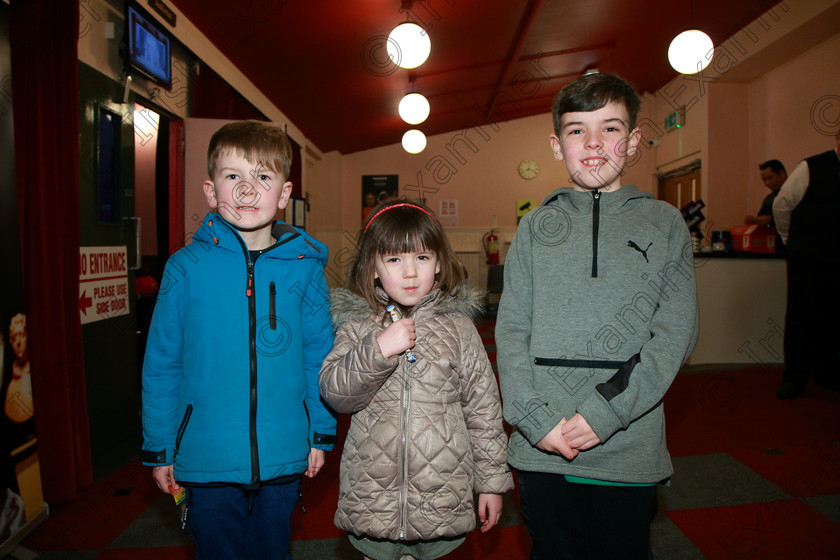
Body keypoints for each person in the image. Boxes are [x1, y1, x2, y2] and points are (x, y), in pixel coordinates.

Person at [496, 73, 699, 560]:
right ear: (556, 143)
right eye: (576, 130)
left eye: (609, 129)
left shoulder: (665, 224)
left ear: (632, 142)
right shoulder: (532, 227)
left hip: (629, 442)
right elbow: (511, 331)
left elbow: (675, 334)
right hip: (543, 441)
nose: (592, 143)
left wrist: (606, 411)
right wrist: (532, 416)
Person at [140, 120, 336, 560]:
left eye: (262, 177)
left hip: (284, 450)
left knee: (273, 551)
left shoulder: (305, 269)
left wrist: (320, 432)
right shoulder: (184, 268)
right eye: (234, 177)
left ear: (284, 194)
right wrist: (160, 446)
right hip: (205, 455)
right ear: (211, 192)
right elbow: (162, 362)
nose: (247, 191)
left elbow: (318, 356)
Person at [319, 199, 513, 560]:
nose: (410, 273)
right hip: (374, 499)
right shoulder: (358, 326)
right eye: (394, 259)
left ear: (438, 263)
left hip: (441, 495)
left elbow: (484, 412)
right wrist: (377, 350)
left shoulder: (459, 329)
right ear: (373, 267)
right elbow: (336, 393)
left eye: (421, 258)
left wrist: (491, 483)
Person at [772, 130, 840, 399]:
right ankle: (795, 376)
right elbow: (781, 205)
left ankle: (827, 372)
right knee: (802, 315)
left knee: (834, 317)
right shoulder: (810, 167)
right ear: (837, 138)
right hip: (807, 257)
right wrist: (791, 239)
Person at [745, 159, 787, 227]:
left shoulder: (793, 194)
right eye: (764, 180)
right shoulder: (769, 199)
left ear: (782, 174)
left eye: (770, 178)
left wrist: (771, 220)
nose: (767, 183)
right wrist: (754, 220)